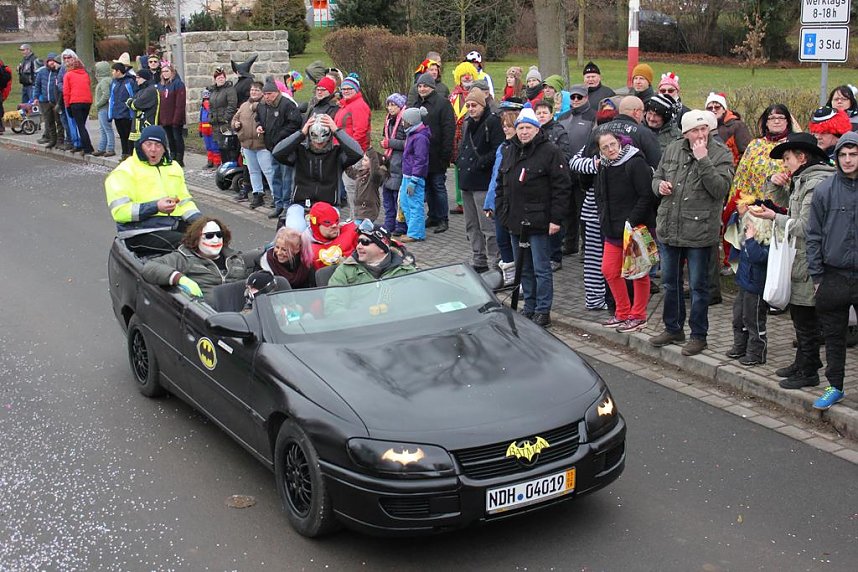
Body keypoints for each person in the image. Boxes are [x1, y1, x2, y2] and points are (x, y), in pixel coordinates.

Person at [650, 110, 735, 356]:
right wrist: (659, 186)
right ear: (685, 133)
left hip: (699, 231)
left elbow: (720, 190)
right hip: (670, 227)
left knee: (698, 287)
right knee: (670, 282)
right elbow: (656, 176)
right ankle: (673, 328)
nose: (700, 135)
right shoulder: (673, 148)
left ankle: (699, 336)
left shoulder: (720, 153)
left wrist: (703, 160)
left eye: (704, 129)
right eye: (694, 131)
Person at [753, 133, 834, 388]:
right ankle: (803, 362)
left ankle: (809, 371)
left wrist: (772, 218)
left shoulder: (816, 183)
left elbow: (805, 226)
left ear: (802, 157)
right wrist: (775, 186)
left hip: (810, 261)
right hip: (801, 258)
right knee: (800, 316)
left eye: (787, 158)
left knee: (806, 318)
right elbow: (790, 206)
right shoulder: (804, 180)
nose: (785, 164)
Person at [495, 106, 572, 328]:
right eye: (521, 128)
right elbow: (501, 184)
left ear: (537, 129)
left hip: (539, 221)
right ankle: (529, 306)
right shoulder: (509, 150)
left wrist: (556, 220)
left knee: (541, 268)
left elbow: (561, 187)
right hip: (514, 220)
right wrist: (502, 211)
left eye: (529, 128)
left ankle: (543, 310)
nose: (524, 132)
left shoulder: (550, 151)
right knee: (523, 268)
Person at [805, 131, 858, 410]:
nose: (848, 160)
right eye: (843, 155)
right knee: (834, 339)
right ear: (836, 158)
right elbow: (813, 235)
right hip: (832, 276)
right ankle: (835, 387)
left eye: (854, 154)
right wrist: (817, 277)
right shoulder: (825, 190)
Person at [592, 129, 655, 333]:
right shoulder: (603, 166)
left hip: (634, 228)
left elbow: (646, 195)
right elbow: (600, 195)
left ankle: (638, 316)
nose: (610, 149)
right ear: (600, 150)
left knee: (638, 272)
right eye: (605, 147)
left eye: (613, 144)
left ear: (619, 142)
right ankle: (622, 312)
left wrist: (631, 220)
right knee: (609, 270)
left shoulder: (635, 162)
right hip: (613, 229)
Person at [104, 125, 201, 255]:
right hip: (140, 231)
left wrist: (201, 222)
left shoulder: (173, 167)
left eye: (158, 145)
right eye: (148, 144)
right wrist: (156, 206)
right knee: (189, 244)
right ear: (140, 145)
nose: (153, 149)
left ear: (164, 148)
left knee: (212, 237)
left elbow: (184, 202)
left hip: (171, 225)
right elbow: (120, 212)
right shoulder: (124, 171)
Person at [274, 113, 363, 227]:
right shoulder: (299, 151)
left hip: (328, 205)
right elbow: (277, 153)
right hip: (300, 204)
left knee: (323, 234)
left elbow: (357, 152)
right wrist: (301, 133)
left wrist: (337, 131)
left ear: (329, 137)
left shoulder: (337, 154)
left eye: (322, 141)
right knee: (295, 230)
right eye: (315, 140)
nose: (319, 144)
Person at [141, 217, 250, 299]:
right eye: (209, 236)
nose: (216, 240)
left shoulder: (235, 258)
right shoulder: (183, 258)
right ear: (196, 238)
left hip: (242, 317)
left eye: (219, 235)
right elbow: (150, 267)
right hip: (207, 319)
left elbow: (260, 256)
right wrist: (180, 279)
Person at [457, 89, 505, 270]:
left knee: (488, 226)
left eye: (474, 105)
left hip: (482, 182)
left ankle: (496, 261)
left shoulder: (492, 122)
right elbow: (463, 146)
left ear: (482, 105)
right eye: (468, 105)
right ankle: (479, 258)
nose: (470, 108)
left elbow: (497, 149)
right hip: (467, 180)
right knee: (471, 225)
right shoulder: (467, 123)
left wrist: (481, 162)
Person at [325, 223, 417, 314]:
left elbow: (419, 301)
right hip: (359, 325)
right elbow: (333, 306)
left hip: (398, 324)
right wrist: (355, 319)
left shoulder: (406, 270)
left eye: (365, 242)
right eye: (358, 241)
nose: (358, 246)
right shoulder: (345, 270)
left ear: (382, 247)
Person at [484, 100, 524, 288]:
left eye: (510, 126)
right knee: (502, 239)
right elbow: (495, 177)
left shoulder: (519, 149)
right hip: (500, 201)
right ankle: (509, 276)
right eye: (504, 126)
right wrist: (489, 203)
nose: (506, 130)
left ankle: (522, 280)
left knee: (516, 242)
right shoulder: (502, 148)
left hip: (515, 204)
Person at [725, 210, 771, 366]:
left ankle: (757, 353)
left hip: (756, 287)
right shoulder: (746, 239)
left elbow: (757, 257)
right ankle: (740, 346)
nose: (746, 229)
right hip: (744, 284)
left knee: (753, 321)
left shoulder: (767, 243)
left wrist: (751, 240)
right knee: (739, 317)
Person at [414, 72, 455, 234]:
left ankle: (443, 218)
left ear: (432, 87)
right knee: (427, 187)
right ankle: (433, 215)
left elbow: (448, 129)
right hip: (421, 154)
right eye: (420, 86)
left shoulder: (442, 104)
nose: (422, 89)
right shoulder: (416, 103)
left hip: (437, 153)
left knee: (438, 186)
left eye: (425, 86)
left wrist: (446, 154)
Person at [257, 78, 303, 219]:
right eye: (265, 94)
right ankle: (278, 204)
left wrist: (280, 136)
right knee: (275, 175)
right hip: (272, 148)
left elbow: (295, 123)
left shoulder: (287, 105)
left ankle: (286, 205)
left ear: (277, 92)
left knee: (286, 177)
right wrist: (259, 125)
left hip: (286, 148)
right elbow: (258, 118)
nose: (267, 97)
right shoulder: (262, 105)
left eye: (269, 94)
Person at [335, 74, 372, 217]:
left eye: (349, 88)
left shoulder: (358, 106)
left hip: (355, 154)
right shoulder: (346, 105)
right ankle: (354, 218)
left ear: (356, 89)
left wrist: (351, 150)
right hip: (346, 152)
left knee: (353, 187)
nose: (346, 91)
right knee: (351, 187)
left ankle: (358, 219)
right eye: (343, 89)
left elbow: (360, 132)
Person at [449, 61, 479, 215]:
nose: (466, 78)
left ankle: (471, 198)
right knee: (458, 168)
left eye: (469, 75)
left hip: (471, 136)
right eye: (463, 75)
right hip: (456, 137)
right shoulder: (453, 95)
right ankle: (460, 201)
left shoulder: (477, 93)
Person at [399, 107, 432, 243]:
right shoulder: (412, 134)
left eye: (404, 121)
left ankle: (416, 233)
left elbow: (420, 160)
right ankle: (411, 230)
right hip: (407, 176)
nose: (402, 123)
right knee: (405, 203)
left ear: (411, 122)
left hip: (414, 178)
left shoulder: (420, 138)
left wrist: (414, 180)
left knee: (415, 205)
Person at [231, 81, 267, 204]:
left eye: (257, 90)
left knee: (269, 172)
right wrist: (235, 125)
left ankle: (276, 197)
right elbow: (235, 119)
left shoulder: (265, 105)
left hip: (262, 145)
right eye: (252, 90)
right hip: (247, 145)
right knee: (253, 171)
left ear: (262, 92)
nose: (254, 92)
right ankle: (258, 194)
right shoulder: (244, 106)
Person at [603, 96, 662, 169]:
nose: (643, 116)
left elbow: (586, 159)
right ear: (636, 112)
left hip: (603, 178)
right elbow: (657, 165)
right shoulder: (645, 134)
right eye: (643, 111)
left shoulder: (598, 130)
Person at [380, 93, 408, 237]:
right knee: (388, 198)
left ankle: (401, 225)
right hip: (390, 161)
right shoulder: (389, 120)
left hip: (400, 163)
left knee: (399, 199)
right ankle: (389, 223)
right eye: (389, 105)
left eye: (394, 105)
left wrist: (389, 143)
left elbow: (408, 143)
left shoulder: (404, 121)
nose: (390, 108)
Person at [303, 201, 360, 270]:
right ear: (315, 225)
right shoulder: (305, 247)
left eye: (336, 220)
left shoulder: (351, 231)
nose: (334, 225)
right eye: (327, 222)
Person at [705, 92, 752, 166]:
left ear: (724, 109)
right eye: (710, 108)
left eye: (717, 107)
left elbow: (746, 153)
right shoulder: (703, 127)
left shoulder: (738, 126)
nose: (713, 110)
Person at [62, 56, 94, 155]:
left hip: (75, 102)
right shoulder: (85, 74)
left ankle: (88, 147)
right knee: (82, 125)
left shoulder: (68, 75)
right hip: (87, 101)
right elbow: (88, 86)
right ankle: (83, 144)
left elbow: (66, 92)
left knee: (80, 126)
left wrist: (67, 106)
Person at [157, 62, 187, 167]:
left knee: (177, 137)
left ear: (172, 72)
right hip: (165, 118)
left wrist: (176, 118)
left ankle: (179, 158)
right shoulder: (161, 85)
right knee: (169, 138)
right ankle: (172, 155)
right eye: (163, 71)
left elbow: (180, 103)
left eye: (167, 71)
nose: (165, 74)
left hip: (175, 117)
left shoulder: (178, 84)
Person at [32, 53, 63, 149]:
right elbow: (37, 85)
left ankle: (60, 140)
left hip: (56, 101)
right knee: (49, 122)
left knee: (59, 122)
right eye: (50, 61)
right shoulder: (42, 72)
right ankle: (52, 139)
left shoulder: (58, 72)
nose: (51, 63)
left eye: (53, 61)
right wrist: (36, 97)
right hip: (45, 101)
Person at [109, 60, 137, 159]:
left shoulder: (129, 82)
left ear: (118, 71)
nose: (112, 73)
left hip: (127, 114)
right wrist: (110, 113)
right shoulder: (114, 83)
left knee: (129, 135)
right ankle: (124, 153)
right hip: (117, 113)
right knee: (122, 135)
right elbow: (111, 98)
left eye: (113, 71)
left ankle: (131, 154)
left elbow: (133, 96)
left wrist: (132, 112)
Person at [208, 66, 237, 159]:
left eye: (222, 77)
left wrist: (225, 118)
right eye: (218, 77)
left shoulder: (229, 89)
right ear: (215, 79)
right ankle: (221, 163)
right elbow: (211, 106)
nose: (221, 79)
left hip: (225, 123)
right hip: (216, 123)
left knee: (227, 145)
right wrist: (210, 117)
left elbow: (232, 105)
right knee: (219, 145)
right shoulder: (213, 91)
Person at [348, 147, 384, 222]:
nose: (362, 162)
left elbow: (375, 171)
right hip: (359, 210)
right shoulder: (361, 172)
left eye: (365, 160)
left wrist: (371, 151)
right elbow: (351, 173)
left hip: (368, 211)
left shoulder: (375, 176)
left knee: (360, 229)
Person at [91, 61, 115, 157]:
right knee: (103, 129)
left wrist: (98, 104)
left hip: (104, 108)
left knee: (107, 128)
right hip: (104, 108)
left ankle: (110, 148)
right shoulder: (107, 80)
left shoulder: (104, 81)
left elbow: (106, 95)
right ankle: (102, 148)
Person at [128, 69, 159, 142]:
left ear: (145, 78)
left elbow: (136, 104)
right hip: (140, 125)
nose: (136, 80)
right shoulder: (143, 89)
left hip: (147, 124)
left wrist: (131, 102)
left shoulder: (150, 90)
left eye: (138, 77)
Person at [198, 89, 220, 168]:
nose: (206, 101)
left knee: (215, 147)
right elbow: (201, 120)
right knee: (208, 147)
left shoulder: (213, 108)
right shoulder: (202, 108)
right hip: (205, 131)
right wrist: (200, 130)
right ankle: (210, 162)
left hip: (212, 130)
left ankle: (216, 163)